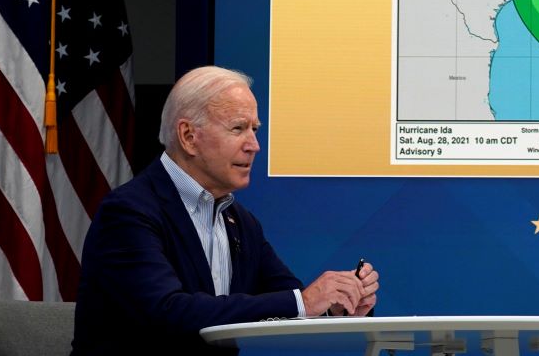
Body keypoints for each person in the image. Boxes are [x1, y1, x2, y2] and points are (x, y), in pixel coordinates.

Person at [71, 66, 379, 355]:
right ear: (189, 136)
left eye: (255, 129)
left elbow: (289, 301)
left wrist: (336, 304)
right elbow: (168, 312)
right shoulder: (128, 213)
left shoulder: (242, 224)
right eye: (238, 128)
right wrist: (305, 301)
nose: (254, 145)